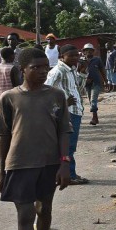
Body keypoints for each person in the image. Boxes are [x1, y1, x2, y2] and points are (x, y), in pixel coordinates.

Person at [0, 48, 71, 230]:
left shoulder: (56, 96)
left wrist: (64, 162)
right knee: (25, 215)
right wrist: (1, 170)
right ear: (22, 70)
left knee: (44, 208)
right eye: (35, 68)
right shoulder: (9, 98)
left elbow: (63, 130)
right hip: (19, 163)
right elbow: (4, 135)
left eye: (44, 67)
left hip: (49, 163)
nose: (42, 72)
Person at [46, 45, 88, 185]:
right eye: (71, 55)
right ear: (62, 56)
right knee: (68, 145)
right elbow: (45, 91)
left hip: (75, 111)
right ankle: (69, 175)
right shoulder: (57, 71)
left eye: (77, 55)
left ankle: (68, 173)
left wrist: (82, 73)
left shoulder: (72, 70)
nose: (75, 58)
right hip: (67, 113)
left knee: (71, 145)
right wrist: (63, 103)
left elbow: (78, 89)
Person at [82, 43, 105, 125]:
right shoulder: (81, 60)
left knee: (93, 99)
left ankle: (95, 118)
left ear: (93, 51)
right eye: (87, 50)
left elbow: (102, 70)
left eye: (91, 50)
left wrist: (106, 81)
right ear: (84, 51)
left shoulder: (97, 60)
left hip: (96, 82)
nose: (89, 52)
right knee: (91, 102)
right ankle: (95, 117)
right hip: (86, 84)